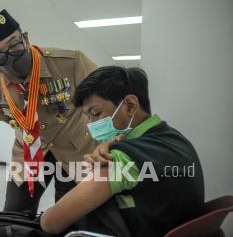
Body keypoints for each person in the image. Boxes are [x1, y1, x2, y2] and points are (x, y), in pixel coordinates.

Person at [40, 66, 205, 236]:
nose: (90, 124)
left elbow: (50, 222)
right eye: (87, 116)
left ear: (131, 106)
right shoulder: (174, 139)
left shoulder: (121, 159)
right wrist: (113, 143)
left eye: (95, 113)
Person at [0, 9, 97, 214]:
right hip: (27, 154)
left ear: (26, 38)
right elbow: (1, 116)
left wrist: (108, 141)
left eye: (14, 44)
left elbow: (106, 105)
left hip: (78, 151)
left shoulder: (70, 62)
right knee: (14, 214)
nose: (8, 55)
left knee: (72, 215)